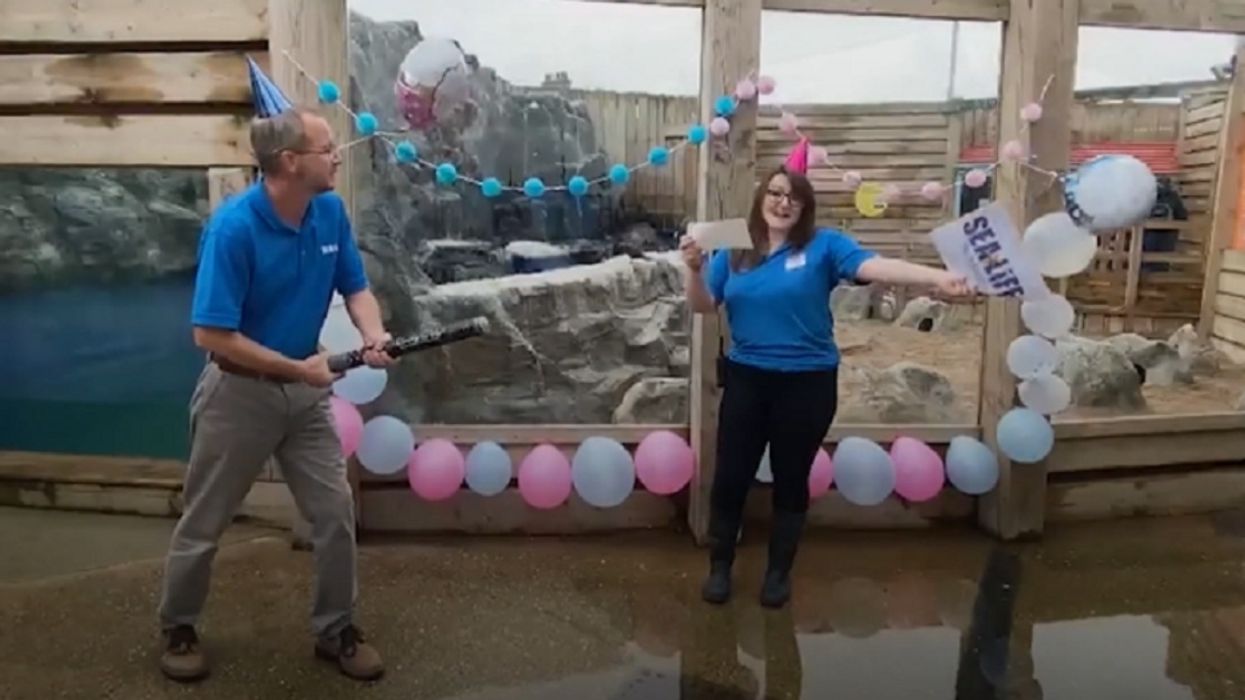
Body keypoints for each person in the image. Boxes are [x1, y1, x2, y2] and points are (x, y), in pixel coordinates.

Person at [157, 107, 393, 683]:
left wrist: (373, 334)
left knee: (334, 513)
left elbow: (356, 288)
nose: (337, 157)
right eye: (327, 149)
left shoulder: (329, 212)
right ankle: (178, 626)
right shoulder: (233, 229)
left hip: (305, 398)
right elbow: (210, 334)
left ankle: (336, 629)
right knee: (205, 520)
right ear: (290, 161)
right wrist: (296, 369)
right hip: (238, 395)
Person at [679, 165, 972, 609]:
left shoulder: (824, 246)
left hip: (808, 382)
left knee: (791, 477)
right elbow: (703, 305)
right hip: (748, 379)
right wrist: (693, 270)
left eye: (794, 197)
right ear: (760, 199)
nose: (783, 203)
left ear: (805, 208)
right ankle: (720, 567)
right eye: (775, 193)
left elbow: (874, 265)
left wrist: (935, 278)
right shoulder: (734, 252)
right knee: (731, 476)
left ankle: (778, 573)